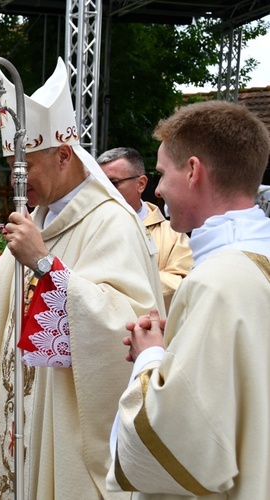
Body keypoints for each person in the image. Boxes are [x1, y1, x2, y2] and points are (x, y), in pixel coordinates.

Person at [0, 58, 164, 499]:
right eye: (10, 166)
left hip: (61, 421)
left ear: (64, 154)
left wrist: (46, 266)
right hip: (17, 415)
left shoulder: (110, 224)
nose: (16, 180)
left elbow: (129, 323)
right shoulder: (40, 217)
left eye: (25, 166)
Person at [107, 101, 270, 499]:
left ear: (194, 171)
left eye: (163, 173)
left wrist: (150, 356)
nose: (158, 189)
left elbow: (186, 446)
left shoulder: (218, 282)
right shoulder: (255, 256)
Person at [98, 147, 193, 311]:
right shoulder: (89, 226)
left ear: (141, 184)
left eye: (113, 183)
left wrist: (121, 280)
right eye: (99, 183)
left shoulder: (173, 235)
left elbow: (182, 284)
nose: (105, 191)